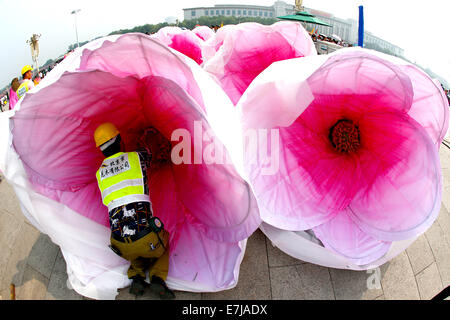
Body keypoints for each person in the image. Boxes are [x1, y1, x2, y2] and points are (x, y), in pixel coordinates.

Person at [94, 123, 175, 299]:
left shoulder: (99, 174)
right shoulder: (137, 157)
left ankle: (136, 276)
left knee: (133, 243)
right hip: (146, 239)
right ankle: (157, 279)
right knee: (162, 240)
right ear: (120, 140)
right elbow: (154, 151)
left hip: (119, 244)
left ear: (100, 150)